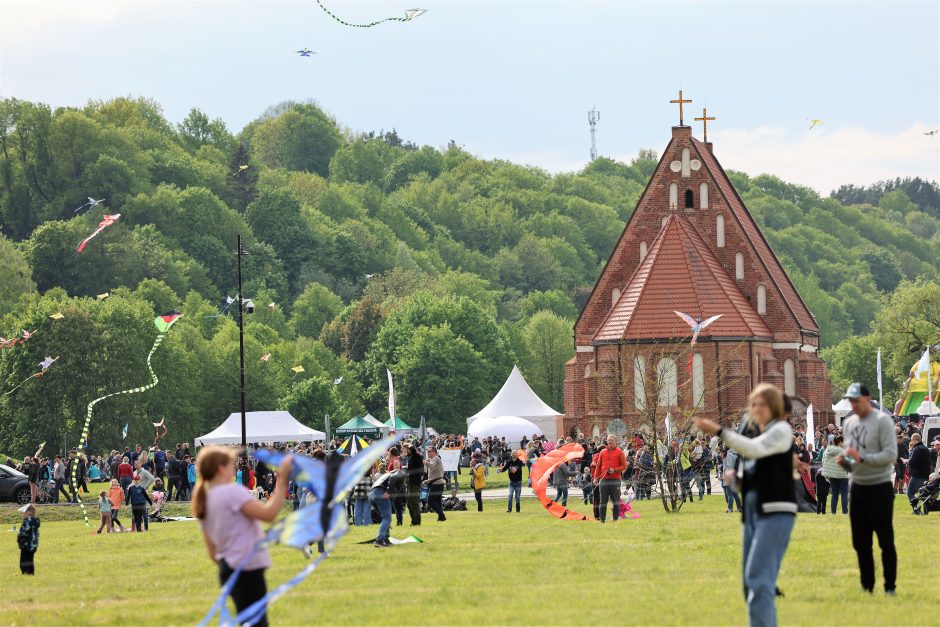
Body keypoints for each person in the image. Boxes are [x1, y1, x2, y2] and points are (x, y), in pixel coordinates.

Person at [695, 383, 795, 627]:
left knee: (758, 578)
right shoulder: (758, 433)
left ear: (774, 407)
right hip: (753, 510)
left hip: (774, 511)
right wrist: (736, 482)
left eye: (763, 404)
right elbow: (755, 476)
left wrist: (719, 431)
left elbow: (754, 449)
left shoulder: (780, 430)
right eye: (753, 404)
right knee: (750, 582)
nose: (757, 409)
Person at [194, 446, 291, 627]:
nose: (235, 468)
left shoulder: (204, 500)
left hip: (228, 570)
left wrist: (231, 560)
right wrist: (282, 481)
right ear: (221, 468)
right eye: (231, 464)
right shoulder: (232, 492)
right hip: (248, 570)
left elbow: (213, 552)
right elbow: (268, 515)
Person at [840, 383, 897, 595]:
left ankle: (889, 586)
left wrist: (862, 458)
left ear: (868, 398)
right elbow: (850, 454)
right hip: (857, 486)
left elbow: (890, 455)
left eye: (857, 400)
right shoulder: (849, 423)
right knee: (860, 542)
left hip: (879, 486)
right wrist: (844, 461)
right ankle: (867, 586)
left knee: (885, 540)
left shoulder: (882, 421)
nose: (853, 405)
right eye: (851, 401)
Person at [593, 435, 626, 523]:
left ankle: (615, 520)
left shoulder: (620, 452)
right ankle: (602, 521)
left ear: (615, 442)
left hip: (615, 481)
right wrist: (595, 478)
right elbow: (598, 466)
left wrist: (614, 470)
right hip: (603, 480)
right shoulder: (602, 452)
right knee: (602, 501)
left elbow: (624, 466)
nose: (610, 442)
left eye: (612, 440)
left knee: (615, 501)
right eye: (608, 440)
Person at [822, 436, 849, 514]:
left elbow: (823, 461)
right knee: (844, 494)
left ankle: (833, 512)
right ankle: (845, 512)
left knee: (834, 494)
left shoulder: (827, 450)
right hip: (842, 475)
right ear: (840, 442)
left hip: (832, 476)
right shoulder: (843, 451)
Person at [906, 433, 931, 514]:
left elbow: (912, 462)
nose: (911, 442)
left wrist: (906, 461)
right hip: (926, 474)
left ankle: (916, 509)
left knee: (910, 492)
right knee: (922, 494)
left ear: (915, 440)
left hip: (917, 475)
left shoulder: (917, 449)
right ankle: (922, 510)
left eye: (912, 440)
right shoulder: (926, 448)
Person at [371, 469, 393, 547]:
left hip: (372, 493)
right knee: (387, 518)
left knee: (385, 518)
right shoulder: (399, 474)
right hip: (380, 493)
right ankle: (379, 540)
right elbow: (393, 481)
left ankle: (386, 539)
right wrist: (388, 491)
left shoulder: (389, 473)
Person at [424, 447, 446, 522]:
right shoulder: (434, 459)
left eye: (429, 451)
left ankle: (442, 515)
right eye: (427, 451)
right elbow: (435, 473)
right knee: (437, 501)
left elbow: (432, 466)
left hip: (436, 484)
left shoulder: (435, 458)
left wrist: (425, 462)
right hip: (438, 483)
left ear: (434, 452)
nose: (428, 452)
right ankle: (441, 517)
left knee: (430, 501)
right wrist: (428, 480)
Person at [17, 504, 40, 575]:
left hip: (26, 544)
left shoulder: (28, 521)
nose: (22, 514)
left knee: (24, 560)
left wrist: (19, 537)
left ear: (28, 513)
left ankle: (25, 572)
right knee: (30, 559)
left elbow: (25, 532)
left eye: (23, 512)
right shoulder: (34, 522)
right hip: (33, 545)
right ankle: (30, 572)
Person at [405, 445, 423, 526]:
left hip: (415, 483)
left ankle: (417, 521)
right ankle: (414, 520)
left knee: (414, 502)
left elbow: (419, 469)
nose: (406, 452)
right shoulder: (411, 458)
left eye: (408, 450)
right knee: (409, 503)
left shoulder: (417, 457)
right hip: (410, 483)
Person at [721, 446, 743, 513]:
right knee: (735, 494)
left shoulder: (729, 454)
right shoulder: (736, 453)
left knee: (729, 494)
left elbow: (730, 466)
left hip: (729, 475)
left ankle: (730, 509)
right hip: (735, 475)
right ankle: (739, 508)